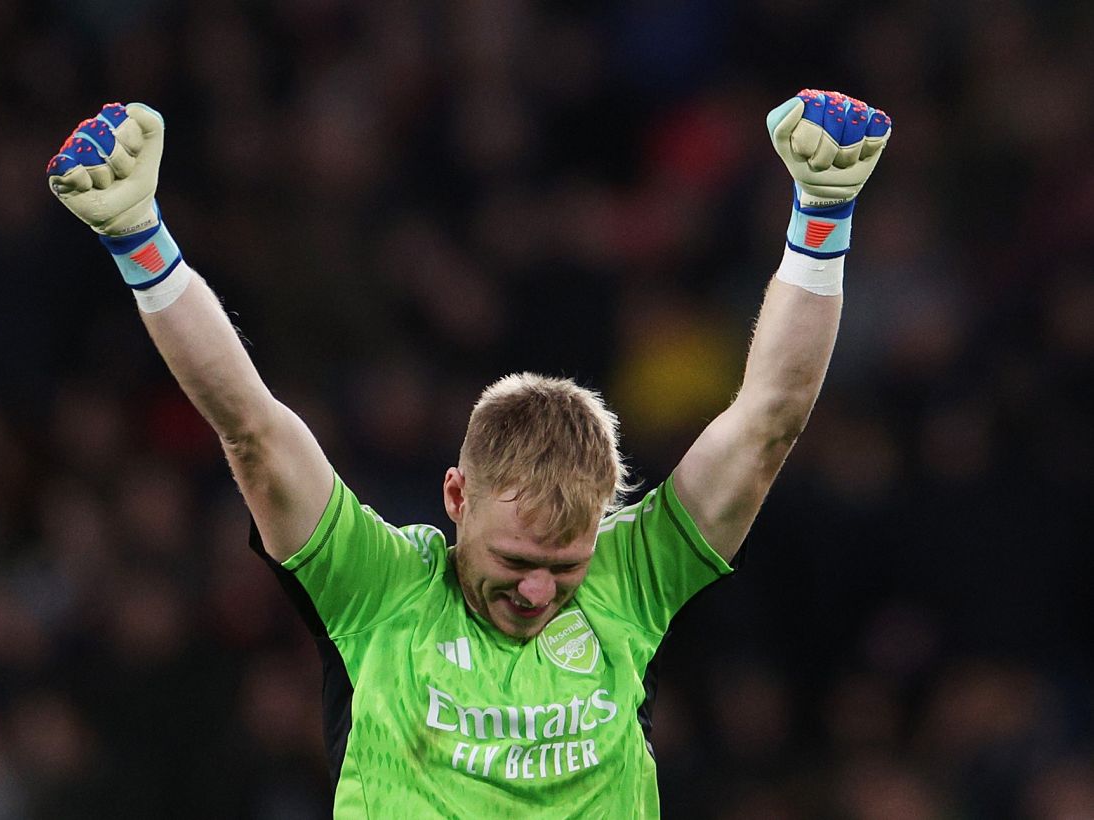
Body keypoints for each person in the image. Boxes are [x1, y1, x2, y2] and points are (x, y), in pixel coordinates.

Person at [46, 88, 891, 817]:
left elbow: (767, 423)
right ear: (457, 497)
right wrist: (140, 240)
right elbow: (253, 429)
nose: (537, 592)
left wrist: (822, 216)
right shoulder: (377, 589)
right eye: (517, 559)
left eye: (565, 565)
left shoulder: (635, 577)